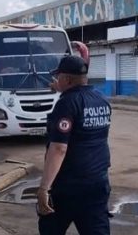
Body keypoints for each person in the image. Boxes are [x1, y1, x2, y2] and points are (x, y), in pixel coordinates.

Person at [37, 55, 112, 235]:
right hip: (98, 182)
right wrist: (61, 91)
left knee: (50, 227)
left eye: (59, 77)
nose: (56, 80)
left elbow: (59, 148)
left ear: (67, 79)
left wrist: (44, 188)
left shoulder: (66, 104)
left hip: (69, 186)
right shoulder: (101, 99)